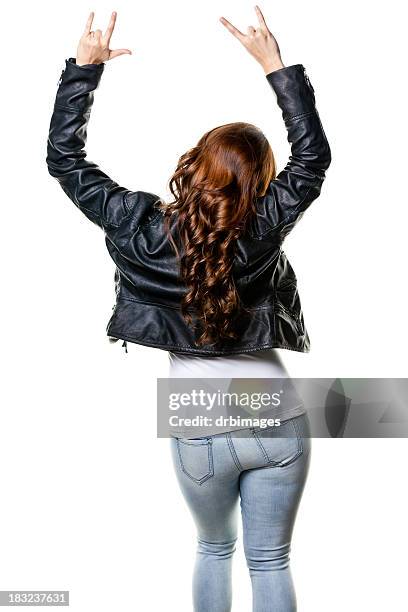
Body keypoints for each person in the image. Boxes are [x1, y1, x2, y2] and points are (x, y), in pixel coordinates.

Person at [46, 7, 331, 611]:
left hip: (197, 419)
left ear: (194, 163)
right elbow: (312, 162)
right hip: (275, 414)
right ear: (259, 185)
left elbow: (65, 162)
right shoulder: (263, 226)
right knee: (272, 560)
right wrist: (275, 67)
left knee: (213, 550)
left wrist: (84, 73)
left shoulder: (137, 224)